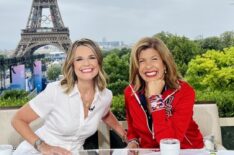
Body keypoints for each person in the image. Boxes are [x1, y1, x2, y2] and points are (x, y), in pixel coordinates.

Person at [12, 38, 126, 155]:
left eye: (92, 57)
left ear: (99, 62)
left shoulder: (105, 96)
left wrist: (125, 135)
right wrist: (44, 147)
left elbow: (105, 113)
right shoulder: (55, 91)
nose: (86, 63)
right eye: (79, 59)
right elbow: (18, 120)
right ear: (72, 64)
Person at [124, 37, 204, 149]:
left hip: (185, 150)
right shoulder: (130, 93)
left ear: (165, 64)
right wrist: (133, 141)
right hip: (150, 151)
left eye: (154, 59)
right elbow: (132, 128)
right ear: (137, 67)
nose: (148, 66)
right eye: (142, 61)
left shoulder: (184, 91)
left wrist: (155, 98)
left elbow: (170, 142)